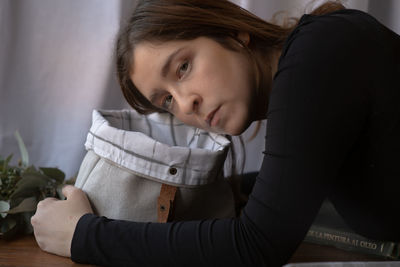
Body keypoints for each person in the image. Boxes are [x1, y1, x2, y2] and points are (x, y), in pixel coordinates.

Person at [31, 0, 400, 266]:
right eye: (166, 102)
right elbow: (286, 185)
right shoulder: (315, 67)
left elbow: (257, 244)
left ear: (233, 34)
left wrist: (82, 235)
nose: (185, 104)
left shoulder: (320, 54)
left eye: (183, 67)